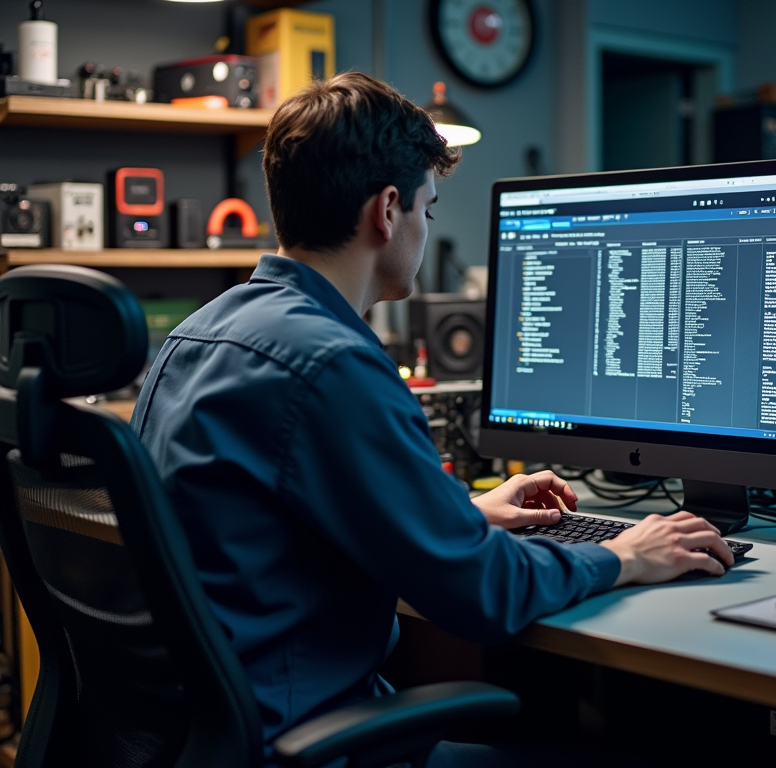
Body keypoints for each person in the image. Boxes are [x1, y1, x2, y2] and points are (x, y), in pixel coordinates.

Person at [131, 72, 734, 766]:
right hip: (306, 742)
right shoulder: (332, 363)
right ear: (388, 210)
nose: (425, 228)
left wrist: (465, 516)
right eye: (430, 209)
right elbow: (485, 595)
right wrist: (624, 556)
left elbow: (275, 524)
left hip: (207, 736)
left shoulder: (199, 334)